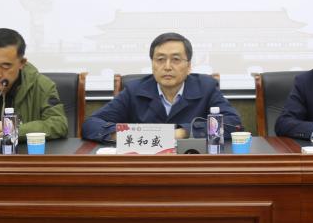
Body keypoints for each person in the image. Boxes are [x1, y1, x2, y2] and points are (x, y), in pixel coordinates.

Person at [82, 32, 242, 142]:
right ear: (152, 64)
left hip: (191, 164)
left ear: (189, 66)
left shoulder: (206, 87)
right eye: (160, 59)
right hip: (146, 166)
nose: (167, 67)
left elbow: (233, 125)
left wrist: (183, 132)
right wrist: (129, 136)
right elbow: (91, 124)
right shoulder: (134, 90)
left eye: (176, 59)